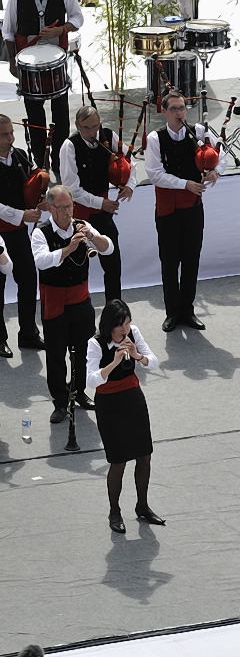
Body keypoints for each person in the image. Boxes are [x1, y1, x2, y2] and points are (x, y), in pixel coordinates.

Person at [145, 90, 228, 332]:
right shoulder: (155, 139)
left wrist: (216, 171)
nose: (180, 113)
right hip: (168, 209)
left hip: (193, 207)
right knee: (170, 262)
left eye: (182, 108)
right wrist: (186, 184)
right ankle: (172, 312)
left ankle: (188, 310)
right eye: (174, 109)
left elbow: (221, 154)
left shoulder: (200, 132)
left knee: (192, 259)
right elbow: (155, 174)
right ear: (164, 111)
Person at [30, 185, 111, 423]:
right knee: (56, 354)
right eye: (62, 207)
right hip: (54, 301)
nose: (67, 212)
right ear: (51, 208)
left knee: (83, 351)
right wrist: (69, 249)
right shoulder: (40, 232)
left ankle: (79, 392)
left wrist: (93, 237)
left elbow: (108, 248)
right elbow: (41, 261)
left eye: (70, 206)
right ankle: (60, 402)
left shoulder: (81, 225)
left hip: (80, 300)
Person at [86, 299, 162, 533]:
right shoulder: (95, 343)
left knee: (144, 454)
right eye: (121, 325)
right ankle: (114, 511)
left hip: (133, 397)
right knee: (118, 461)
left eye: (128, 323)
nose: (126, 329)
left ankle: (142, 505)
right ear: (110, 325)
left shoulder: (133, 334)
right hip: (109, 404)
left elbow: (154, 362)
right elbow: (90, 380)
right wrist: (114, 362)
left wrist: (137, 355)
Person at [3, 0, 84, 180]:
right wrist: (13, 62)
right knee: (35, 117)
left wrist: (62, 29)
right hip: (29, 61)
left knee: (61, 115)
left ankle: (60, 160)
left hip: (56, 60)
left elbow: (77, 18)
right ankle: (40, 163)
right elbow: (9, 31)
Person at [59, 105, 135, 302]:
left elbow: (129, 158)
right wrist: (102, 203)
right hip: (79, 215)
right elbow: (72, 189)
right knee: (78, 266)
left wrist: (130, 185)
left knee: (113, 264)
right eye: (86, 128)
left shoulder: (108, 136)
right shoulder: (70, 146)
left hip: (103, 213)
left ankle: (115, 311)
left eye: (96, 126)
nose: (92, 133)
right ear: (77, 125)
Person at [0, 113, 46, 356]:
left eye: (11, 133)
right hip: (0, 234)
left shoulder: (18, 156)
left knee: (28, 279)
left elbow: (31, 183)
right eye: (5, 134)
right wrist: (21, 214)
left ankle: (28, 333)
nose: (11, 138)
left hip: (17, 232)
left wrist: (43, 197)